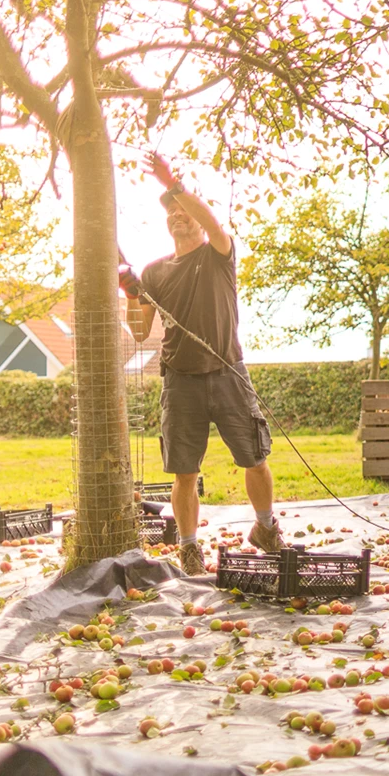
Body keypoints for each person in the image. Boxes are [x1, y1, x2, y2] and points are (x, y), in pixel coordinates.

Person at [126, 152, 277, 577]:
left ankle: (265, 528)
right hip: (180, 381)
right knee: (184, 472)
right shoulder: (155, 272)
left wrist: (171, 183)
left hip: (229, 372)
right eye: (171, 213)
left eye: (183, 210)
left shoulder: (218, 254)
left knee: (255, 458)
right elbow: (139, 331)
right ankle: (190, 549)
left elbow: (212, 223)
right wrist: (129, 292)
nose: (178, 215)